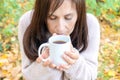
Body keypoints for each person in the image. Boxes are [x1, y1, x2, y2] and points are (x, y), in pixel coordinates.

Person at [18, 0, 100, 80]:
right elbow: (27, 75)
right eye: (52, 17)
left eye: (68, 18)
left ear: (79, 13)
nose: (60, 28)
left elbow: (91, 76)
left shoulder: (90, 25)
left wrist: (75, 65)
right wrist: (46, 66)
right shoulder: (28, 22)